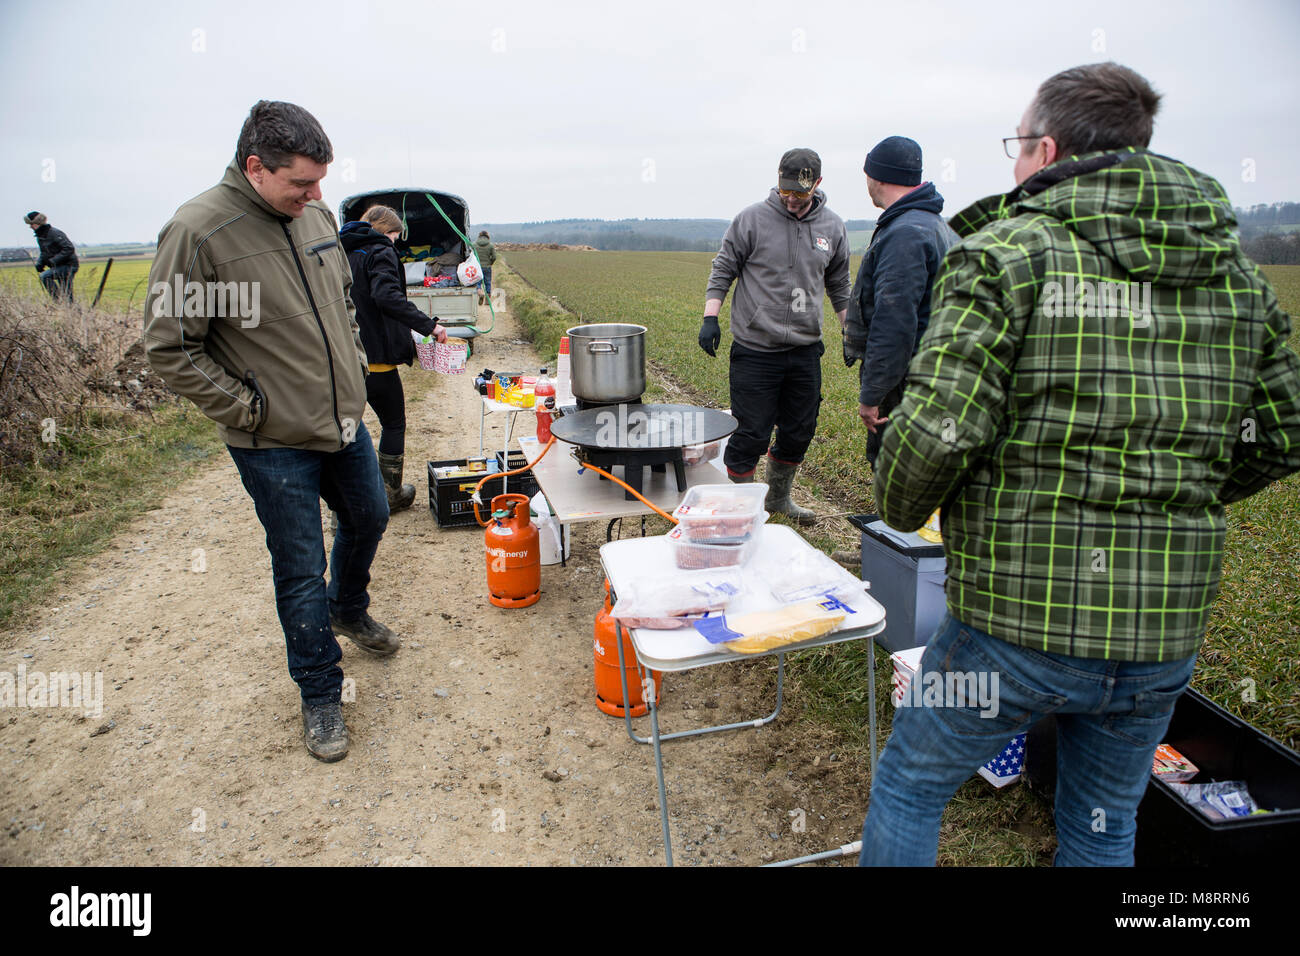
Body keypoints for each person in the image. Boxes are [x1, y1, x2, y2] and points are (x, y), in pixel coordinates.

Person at [859, 62, 1300, 866]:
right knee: (1104, 825)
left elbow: (936, 440)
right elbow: (1284, 431)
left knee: (913, 784)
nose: (1014, 165)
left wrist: (898, 500)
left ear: (1047, 149)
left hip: (1007, 638)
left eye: (1016, 148)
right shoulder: (1236, 276)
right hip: (1159, 642)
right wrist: (1181, 492)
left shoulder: (1006, 256)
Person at [144, 100, 404, 763]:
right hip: (273, 442)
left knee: (370, 517)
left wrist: (350, 377)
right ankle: (320, 694)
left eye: (321, 181)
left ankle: (349, 607)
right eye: (302, 183)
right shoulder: (199, 232)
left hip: (343, 422)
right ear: (255, 167)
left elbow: (343, 304)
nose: (318, 195)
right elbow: (172, 349)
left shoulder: (313, 215)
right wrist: (251, 409)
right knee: (297, 568)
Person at [701, 148, 851, 524]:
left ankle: (779, 500)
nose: (791, 198)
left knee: (800, 430)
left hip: (804, 350)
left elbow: (839, 284)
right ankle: (743, 509)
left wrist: (851, 332)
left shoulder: (832, 227)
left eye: (799, 193)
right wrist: (710, 318)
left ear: (816, 185)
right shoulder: (751, 220)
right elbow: (723, 269)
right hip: (755, 349)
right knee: (751, 433)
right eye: (786, 190)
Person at [842, 137, 957, 467]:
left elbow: (894, 323)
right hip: (938, 377)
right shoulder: (934, 225)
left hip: (908, 383)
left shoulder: (904, 233)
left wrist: (873, 394)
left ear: (876, 177)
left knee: (896, 470)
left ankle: (895, 520)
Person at [340, 205, 447, 511]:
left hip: (342, 357)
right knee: (393, 423)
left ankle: (343, 508)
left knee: (346, 429)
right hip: (374, 358)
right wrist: (429, 325)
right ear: (382, 230)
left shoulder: (338, 250)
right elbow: (387, 297)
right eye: (393, 236)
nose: (393, 243)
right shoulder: (379, 250)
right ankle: (390, 493)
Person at [25, 211, 78, 302]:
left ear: (38, 223)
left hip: (68, 266)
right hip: (58, 266)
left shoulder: (55, 233)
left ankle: (59, 302)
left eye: (32, 224)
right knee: (68, 297)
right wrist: (40, 264)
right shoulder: (40, 236)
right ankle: (69, 309)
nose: (30, 227)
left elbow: (69, 248)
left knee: (45, 276)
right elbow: (44, 252)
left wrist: (53, 260)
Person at [473, 229, 496, 304]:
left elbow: (471, 256)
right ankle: (487, 300)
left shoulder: (474, 245)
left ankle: (480, 293)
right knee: (488, 282)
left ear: (479, 236)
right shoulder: (490, 245)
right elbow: (494, 257)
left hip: (477, 267)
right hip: (487, 267)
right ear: (487, 236)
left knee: (478, 282)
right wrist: (490, 262)